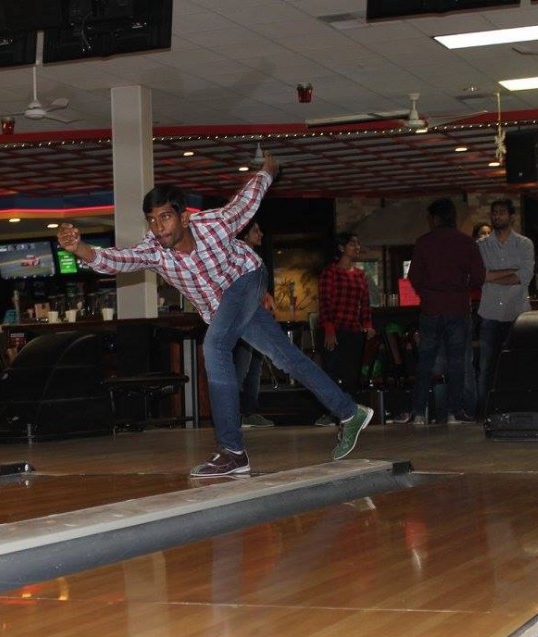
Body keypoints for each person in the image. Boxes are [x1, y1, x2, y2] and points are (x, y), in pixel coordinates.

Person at [56, 152, 372, 478]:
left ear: (184, 218)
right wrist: (80, 248)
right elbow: (118, 260)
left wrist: (267, 172)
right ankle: (350, 412)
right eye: (152, 219)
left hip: (247, 279)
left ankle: (232, 451)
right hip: (223, 307)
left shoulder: (214, 225)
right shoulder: (154, 250)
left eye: (165, 217)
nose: (158, 227)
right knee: (286, 358)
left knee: (214, 347)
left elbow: (246, 202)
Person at [405, 197, 486, 424]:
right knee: (456, 361)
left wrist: (428, 292)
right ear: (453, 217)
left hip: (430, 308)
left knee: (425, 361)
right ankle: (454, 411)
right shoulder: (466, 242)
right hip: (457, 307)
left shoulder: (424, 242)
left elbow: (413, 277)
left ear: (435, 218)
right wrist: (461, 287)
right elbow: (479, 277)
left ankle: (419, 412)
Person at [476, 198, 534, 416]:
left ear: (511, 216)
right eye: (494, 213)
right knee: (486, 368)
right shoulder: (481, 245)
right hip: (489, 312)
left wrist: (492, 276)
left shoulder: (524, 243)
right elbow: (479, 277)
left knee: (517, 364)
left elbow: (524, 277)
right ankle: (485, 413)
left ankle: (519, 410)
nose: (497, 216)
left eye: (502, 212)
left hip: (517, 312)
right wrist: (509, 272)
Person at [313, 231, 375, 425]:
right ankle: (330, 413)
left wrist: (368, 325)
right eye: (352, 243)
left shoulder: (360, 275)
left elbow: (364, 303)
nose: (356, 247)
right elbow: (325, 303)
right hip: (333, 330)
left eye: (357, 243)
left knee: (351, 375)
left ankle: (350, 414)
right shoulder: (330, 273)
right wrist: (330, 330)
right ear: (341, 248)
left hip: (353, 330)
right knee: (330, 373)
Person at [234, 219, 274, 429]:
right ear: (245, 235)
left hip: (255, 319)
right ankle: (234, 414)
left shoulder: (255, 258)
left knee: (255, 368)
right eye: (256, 231)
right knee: (242, 367)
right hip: (243, 321)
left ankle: (250, 411)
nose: (261, 234)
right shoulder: (239, 258)